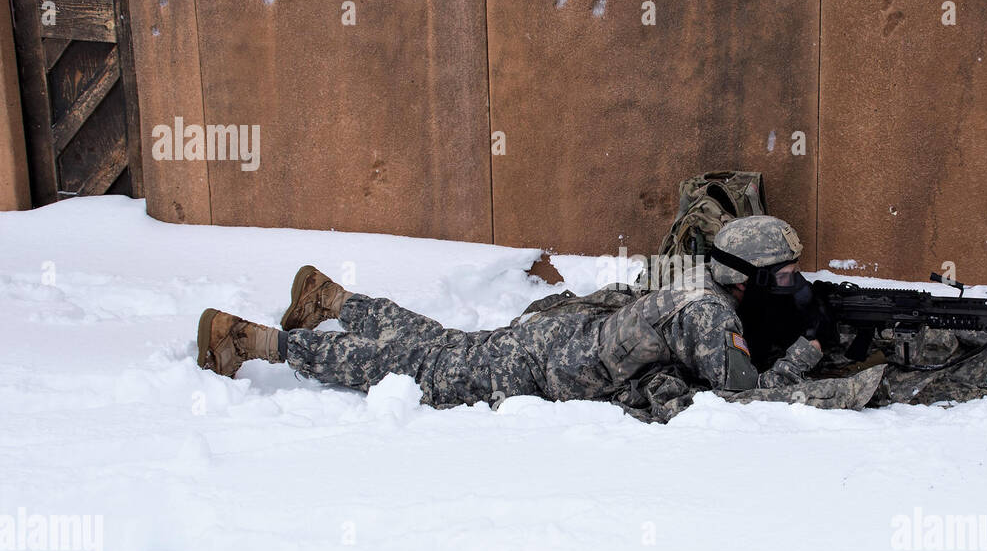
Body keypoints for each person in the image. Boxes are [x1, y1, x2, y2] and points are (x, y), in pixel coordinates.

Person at [195, 216, 884, 422]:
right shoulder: (708, 311)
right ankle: (255, 343)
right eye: (783, 274)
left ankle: (336, 301)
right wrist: (813, 349)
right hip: (544, 366)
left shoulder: (700, 278)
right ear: (750, 277)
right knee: (422, 367)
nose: (792, 284)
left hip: (558, 333)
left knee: (440, 343)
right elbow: (745, 401)